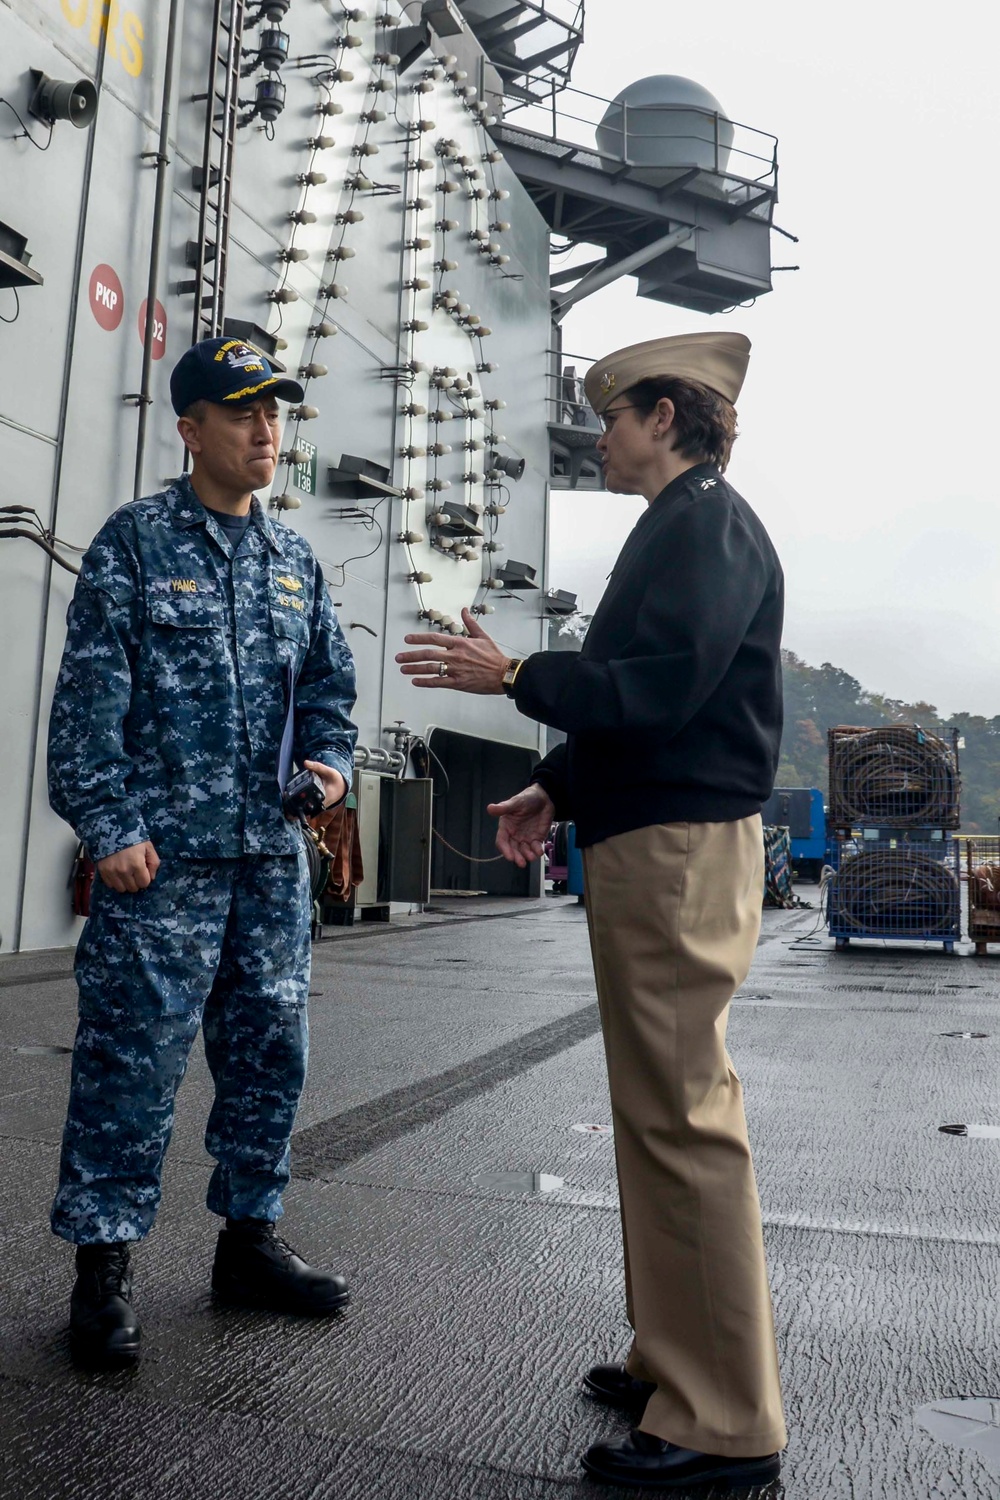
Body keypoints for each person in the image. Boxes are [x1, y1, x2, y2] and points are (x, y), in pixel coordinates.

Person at [396, 332, 787, 1491]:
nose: (599, 435)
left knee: (681, 1118)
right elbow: (647, 699)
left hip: (674, 852)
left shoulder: (705, 523)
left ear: (665, 415)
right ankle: (675, 1357)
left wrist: (514, 677)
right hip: (647, 838)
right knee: (654, 1116)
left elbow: (662, 690)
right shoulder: (682, 525)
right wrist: (554, 785)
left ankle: (723, 1418)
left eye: (613, 416)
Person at [47, 337, 358, 1366]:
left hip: (269, 867)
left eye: (274, 412)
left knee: (271, 1062)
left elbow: (329, 696)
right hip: (160, 870)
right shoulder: (133, 545)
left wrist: (329, 768)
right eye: (241, 412)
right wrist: (113, 828)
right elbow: (87, 708)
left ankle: (248, 1243)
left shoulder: (295, 563)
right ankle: (102, 1272)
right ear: (190, 429)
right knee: (130, 1067)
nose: (266, 431)